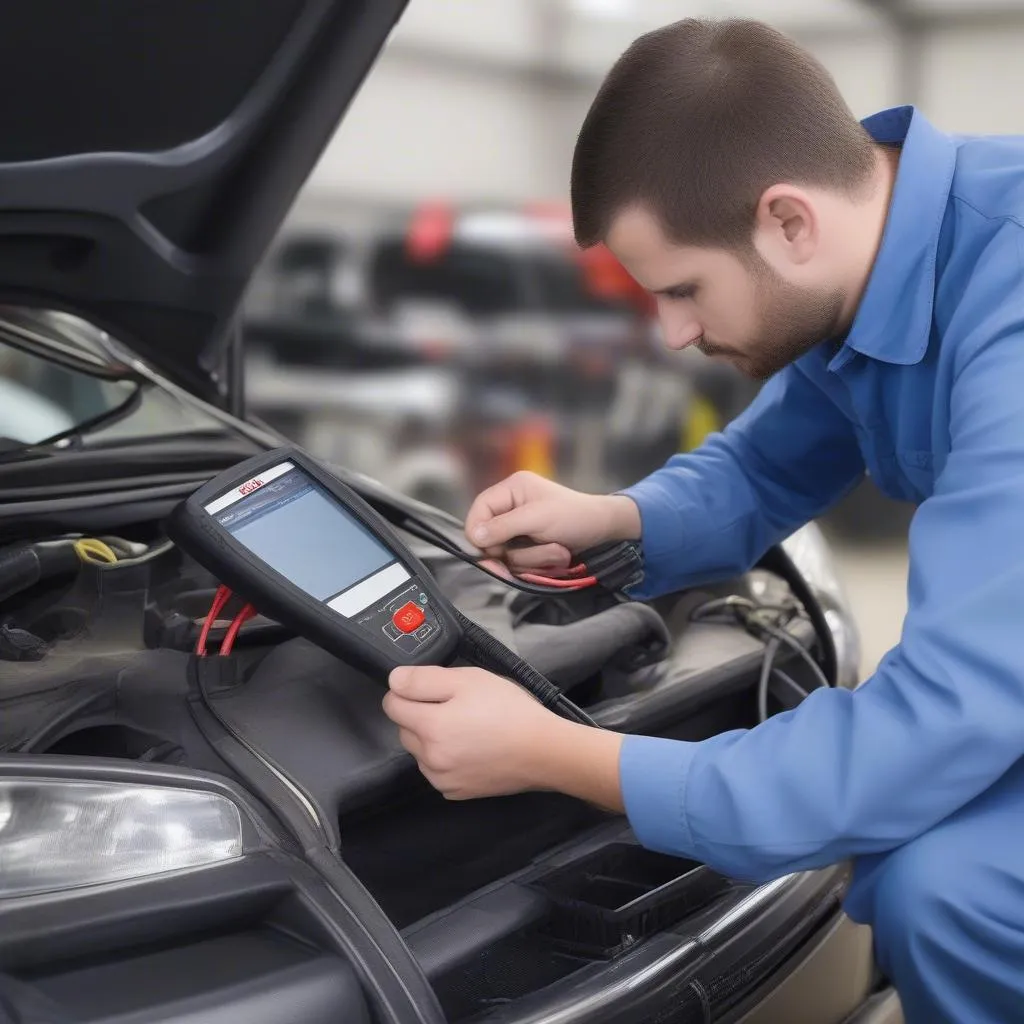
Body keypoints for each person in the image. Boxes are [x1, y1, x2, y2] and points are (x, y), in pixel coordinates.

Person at [381, 18, 1024, 1024]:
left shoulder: (1010, 310)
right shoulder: (878, 253)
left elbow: (931, 725)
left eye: (683, 289)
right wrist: (614, 517)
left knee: (947, 891)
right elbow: (766, 463)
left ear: (787, 220)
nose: (674, 334)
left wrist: (555, 753)